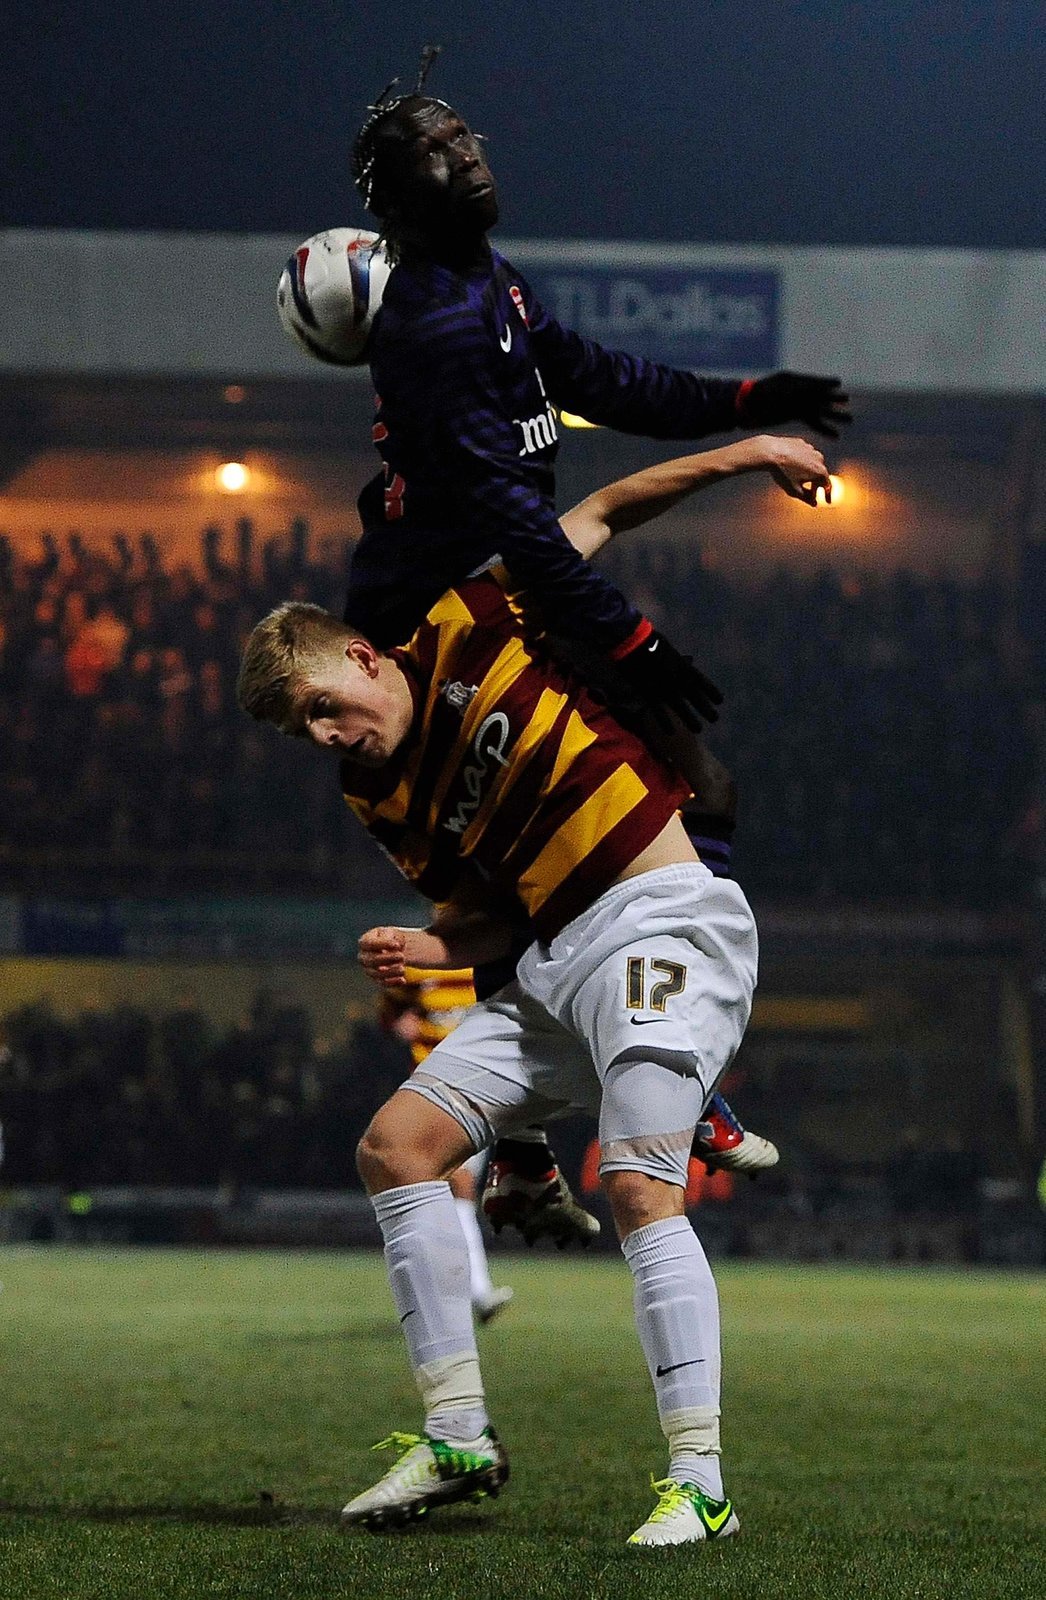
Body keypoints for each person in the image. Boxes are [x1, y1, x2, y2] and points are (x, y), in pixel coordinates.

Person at [238, 431, 829, 1544]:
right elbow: (486, 911)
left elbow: (606, 506)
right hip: (553, 964)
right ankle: (457, 1432)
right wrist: (433, 945)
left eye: (321, 705)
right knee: (395, 1146)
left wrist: (749, 451)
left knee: (639, 1183)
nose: (323, 737)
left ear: (364, 656)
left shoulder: (470, 621)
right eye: (300, 731)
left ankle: (699, 1480)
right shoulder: (374, 795)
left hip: (661, 917)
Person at [345, 53, 833, 1220]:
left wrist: (740, 402)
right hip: (435, 630)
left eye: (469, 138)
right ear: (402, 198)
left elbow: (596, 377)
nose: (472, 158)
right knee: (567, 844)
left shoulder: (490, 284)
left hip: (497, 592)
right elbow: (515, 511)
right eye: (441, 152)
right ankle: (539, 1140)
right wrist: (625, 640)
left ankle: (525, 1150)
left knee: (676, 795)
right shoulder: (427, 325)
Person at [383, 970, 514, 1322]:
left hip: (479, 1090)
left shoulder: (487, 963)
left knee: (452, 1193)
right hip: (430, 1090)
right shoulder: (418, 967)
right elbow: (390, 1011)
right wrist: (399, 1023)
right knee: (458, 1184)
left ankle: (454, 1292)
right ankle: (477, 1293)